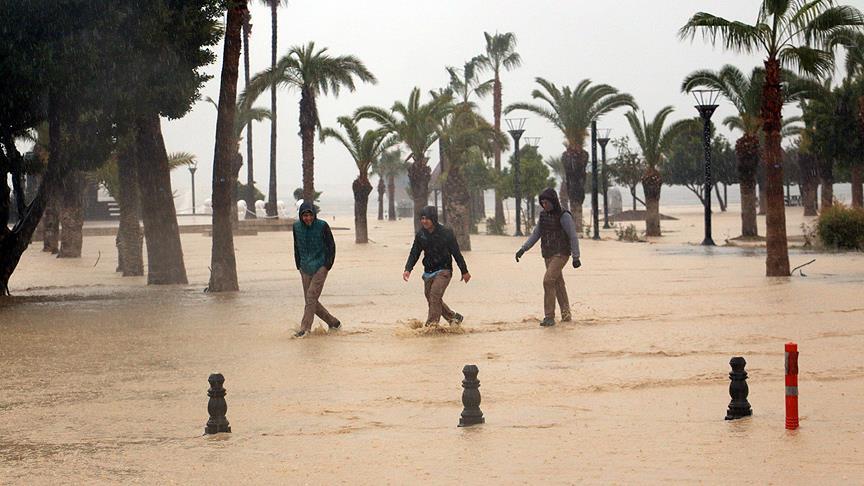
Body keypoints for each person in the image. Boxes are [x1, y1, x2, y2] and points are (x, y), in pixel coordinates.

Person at [515, 188, 581, 327]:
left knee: (548, 281)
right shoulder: (543, 216)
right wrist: (523, 249)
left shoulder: (564, 216)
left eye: (546, 202)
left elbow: (573, 236)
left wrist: (576, 257)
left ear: (553, 201)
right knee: (558, 284)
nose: (544, 205)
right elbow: (536, 234)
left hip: (561, 254)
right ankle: (566, 315)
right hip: (548, 254)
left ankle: (549, 316)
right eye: (542, 203)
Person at [403, 206, 470, 326]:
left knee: (434, 295)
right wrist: (408, 269)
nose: (424, 221)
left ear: (433, 219)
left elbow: (456, 253)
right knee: (432, 298)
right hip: (428, 272)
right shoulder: (421, 235)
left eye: (427, 218)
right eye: (422, 218)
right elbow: (414, 253)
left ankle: (431, 326)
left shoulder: (446, 233)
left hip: (444, 270)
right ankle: (454, 317)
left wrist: (464, 271)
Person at [292, 201, 341, 338]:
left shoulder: (322, 226)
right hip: (304, 267)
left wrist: (327, 265)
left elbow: (331, 246)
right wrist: (299, 265)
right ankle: (333, 323)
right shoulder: (296, 227)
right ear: (301, 216)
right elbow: (296, 246)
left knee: (311, 296)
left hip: (320, 266)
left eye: (310, 215)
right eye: (304, 216)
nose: (307, 218)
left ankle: (305, 329)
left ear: (314, 215)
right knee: (311, 301)